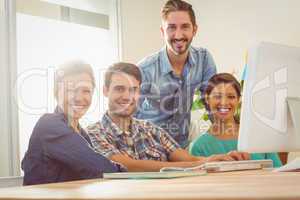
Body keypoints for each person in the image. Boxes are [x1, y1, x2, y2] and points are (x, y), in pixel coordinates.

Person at [87, 63, 249, 172]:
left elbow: (187, 157)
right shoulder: (93, 133)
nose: (127, 96)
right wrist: (201, 163)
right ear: (106, 91)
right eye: (119, 89)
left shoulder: (151, 129)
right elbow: (127, 165)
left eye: (133, 90)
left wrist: (215, 159)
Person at [21, 60, 122, 185]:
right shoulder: (49, 125)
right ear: (56, 93)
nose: (79, 98)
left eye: (86, 91)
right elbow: (102, 169)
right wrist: (124, 172)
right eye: (70, 90)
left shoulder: (82, 134)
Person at [135, 0, 217, 148]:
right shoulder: (145, 69)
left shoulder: (204, 59)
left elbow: (213, 103)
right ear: (162, 32)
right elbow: (131, 116)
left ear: (194, 30)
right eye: (171, 28)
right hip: (149, 146)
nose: (178, 35)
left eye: (185, 27)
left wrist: (226, 136)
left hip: (181, 146)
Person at [189, 73, 282, 167]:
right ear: (207, 99)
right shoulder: (199, 146)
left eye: (231, 97)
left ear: (238, 100)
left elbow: (279, 173)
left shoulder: (258, 137)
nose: (224, 102)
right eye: (218, 96)